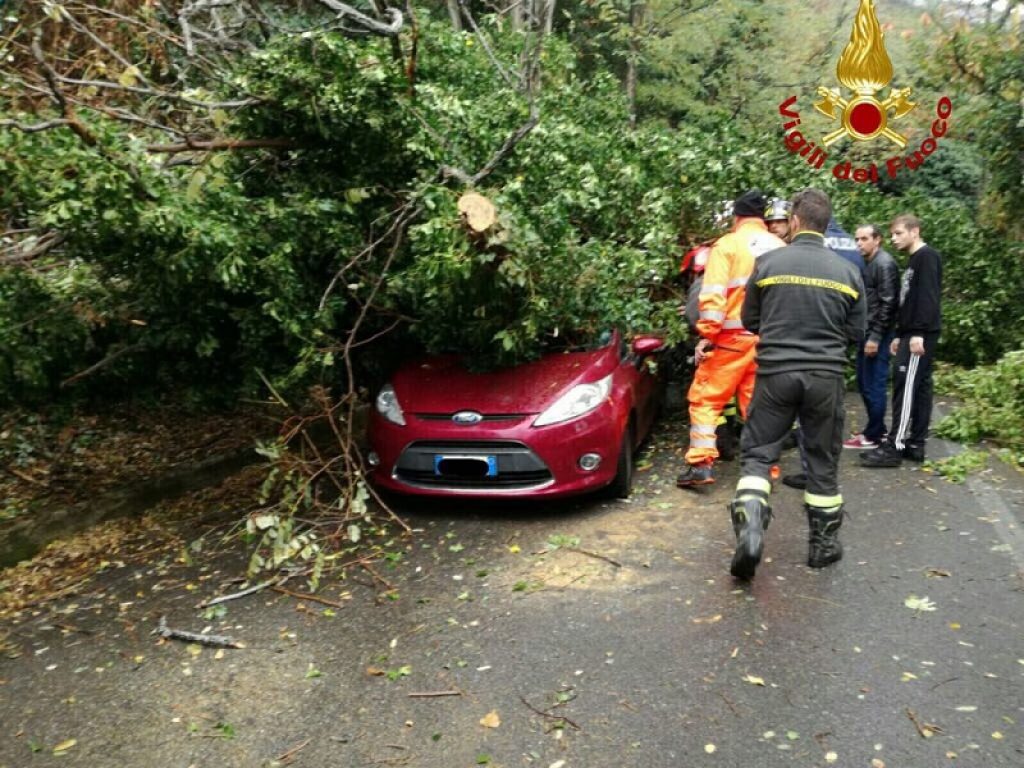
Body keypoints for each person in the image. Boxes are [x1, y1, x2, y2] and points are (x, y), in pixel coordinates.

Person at [727, 188, 866, 579]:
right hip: (825, 379)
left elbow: (750, 321)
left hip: (774, 375)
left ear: (796, 221)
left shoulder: (770, 263)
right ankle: (822, 546)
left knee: (758, 454)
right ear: (824, 224)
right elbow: (857, 331)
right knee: (822, 460)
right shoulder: (849, 272)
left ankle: (752, 526)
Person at [676, 189, 786, 487]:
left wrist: (705, 337)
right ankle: (763, 470)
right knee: (759, 406)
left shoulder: (726, 246)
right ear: (762, 217)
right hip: (768, 341)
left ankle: (700, 465)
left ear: (736, 216)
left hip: (730, 341)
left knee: (705, 399)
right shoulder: (780, 246)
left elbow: (712, 298)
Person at [860, 214, 943, 467]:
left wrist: (916, 332)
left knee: (904, 387)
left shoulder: (927, 257)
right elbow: (908, 300)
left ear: (914, 231)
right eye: (893, 234)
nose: (894, 239)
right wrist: (899, 333)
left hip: (920, 333)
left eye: (898, 233)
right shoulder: (914, 259)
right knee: (920, 389)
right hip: (910, 333)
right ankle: (915, 444)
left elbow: (928, 298)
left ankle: (894, 447)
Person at [844, 225, 900, 449]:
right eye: (857, 239)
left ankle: (874, 436)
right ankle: (876, 431)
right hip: (867, 332)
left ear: (877, 240)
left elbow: (888, 304)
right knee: (865, 383)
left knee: (873, 385)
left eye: (864, 239)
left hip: (877, 335)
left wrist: (875, 337)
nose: (859, 243)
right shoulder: (872, 263)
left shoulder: (884, 264)